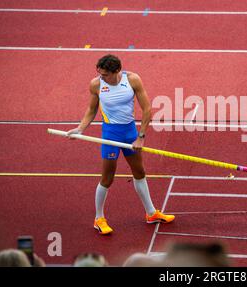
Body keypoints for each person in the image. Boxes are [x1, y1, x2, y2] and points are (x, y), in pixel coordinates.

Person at [67, 55, 174, 235]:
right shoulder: (96, 84)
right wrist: (80, 128)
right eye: (99, 73)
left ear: (116, 71)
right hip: (110, 135)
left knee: (139, 172)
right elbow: (92, 109)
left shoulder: (132, 80)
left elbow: (147, 109)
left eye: (105, 74)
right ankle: (99, 218)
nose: (101, 77)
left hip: (130, 133)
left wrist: (141, 137)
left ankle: (151, 213)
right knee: (107, 177)